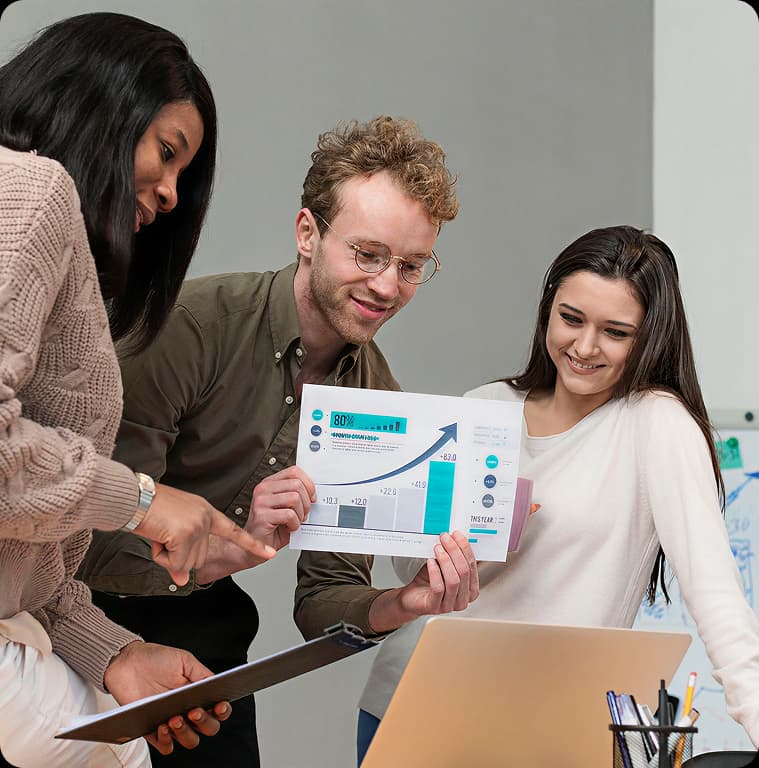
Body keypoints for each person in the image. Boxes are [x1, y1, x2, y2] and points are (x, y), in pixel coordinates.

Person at [77, 115, 480, 767]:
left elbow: (323, 604)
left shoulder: (377, 401)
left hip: (204, 630)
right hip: (77, 616)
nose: (387, 286)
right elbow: (86, 534)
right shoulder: (189, 329)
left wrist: (404, 602)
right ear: (306, 234)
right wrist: (232, 546)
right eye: (368, 254)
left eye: (410, 265)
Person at [352, 225, 759, 763]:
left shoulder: (656, 423)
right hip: (414, 702)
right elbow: (412, 574)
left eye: (615, 332)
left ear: (650, 336)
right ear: (548, 309)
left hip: (553, 724)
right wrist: (472, 542)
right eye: (570, 319)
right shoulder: (486, 405)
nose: (584, 347)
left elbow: (718, 599)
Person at [0, 12, 276, 768]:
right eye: (166, 152)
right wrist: (146, 501)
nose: (170, 192)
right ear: (98, 104)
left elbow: (24, 554)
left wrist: (115, 655)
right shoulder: (29, 185)